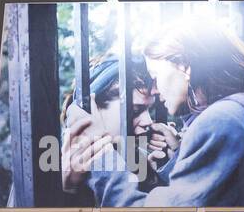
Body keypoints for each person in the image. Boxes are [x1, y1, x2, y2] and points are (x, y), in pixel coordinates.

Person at [81, 18, 244, 208]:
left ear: (183, 65)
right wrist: (178, 156)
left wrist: (100, 157)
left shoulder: (222, 121)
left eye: (155, 77)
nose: (154, 88)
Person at [60, 54, 178, 193]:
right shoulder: (48, 166)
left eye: (148, 110)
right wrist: (69, 191)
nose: (148, 121)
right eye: (134, 111)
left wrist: (157, 177)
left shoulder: (139, 162)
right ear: (93, 108)